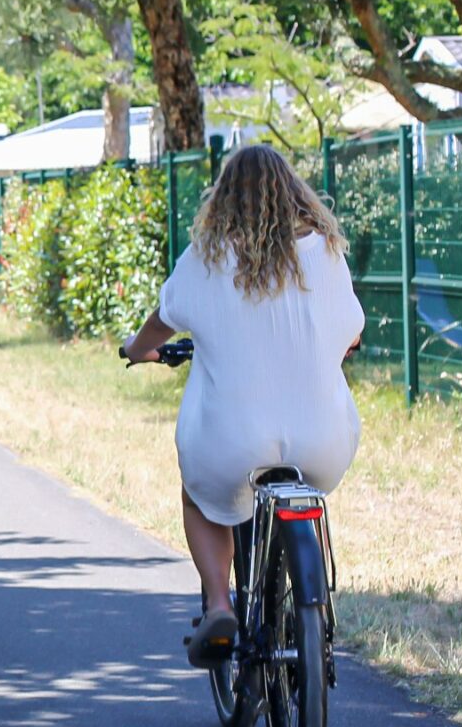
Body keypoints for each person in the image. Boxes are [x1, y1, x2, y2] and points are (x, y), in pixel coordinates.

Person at [122, 145, 364, 667]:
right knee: (304, 481)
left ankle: (218, 604)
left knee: (198, 495)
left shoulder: (206, 258)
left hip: (232, 445)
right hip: (322, 443)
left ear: (224, 197)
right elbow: (352, 328)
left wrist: (137, 349)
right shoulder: (326, 251)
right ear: (295, 192)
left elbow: (162, 322)